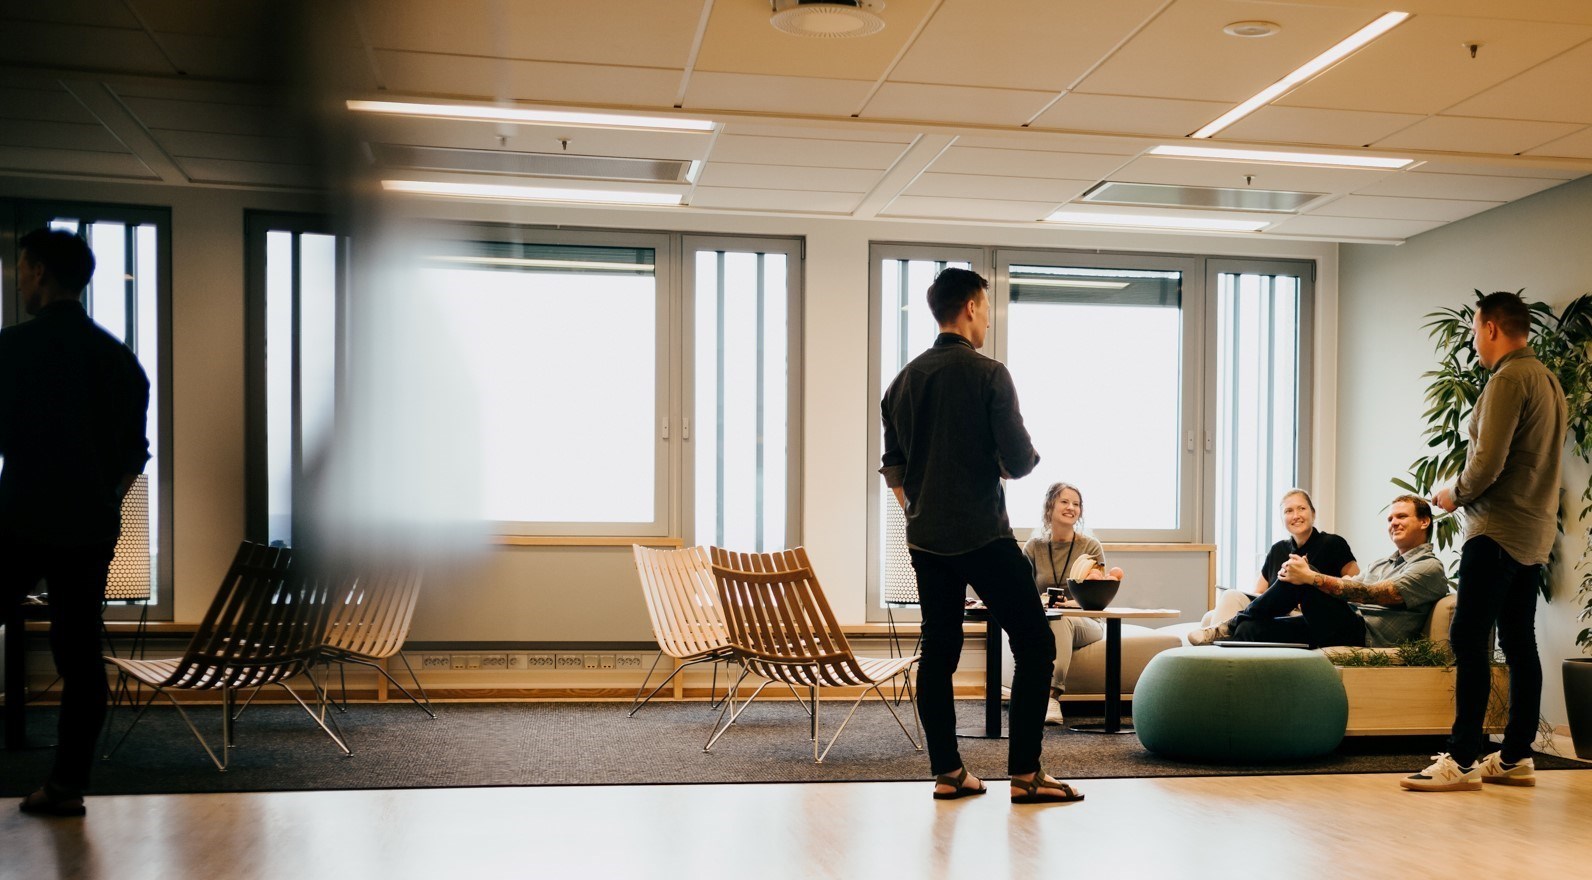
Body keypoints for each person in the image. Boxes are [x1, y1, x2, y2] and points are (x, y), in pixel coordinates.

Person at [880, 268, 1080, 805]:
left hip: (926, 541)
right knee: (1036, 644)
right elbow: (1018, 460)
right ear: (970, 307)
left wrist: (919, 511)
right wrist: (1010, 462)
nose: (989, 317)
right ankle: (1026, 774)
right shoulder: (990, 374)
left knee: (938, 653)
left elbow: (894, 469)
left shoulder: (900, 383)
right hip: (983, 537)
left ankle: (948, 771)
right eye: (987, 307)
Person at [2, 229, 150, 817]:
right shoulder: (119, 360)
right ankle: (66, 786)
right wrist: (105, 498)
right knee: (80, 658)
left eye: (20, 269)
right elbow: (134, 455)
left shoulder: (11, 349)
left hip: (19, 517)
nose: (17, 280)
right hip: (88, 525)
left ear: (38, 271)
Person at [1403, 291, 1568, 793]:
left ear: (1492, 328)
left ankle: (1462, 757)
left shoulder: (1508, 379)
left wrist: (1452, 493)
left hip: (1495, 531)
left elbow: (1487, 465)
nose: (1473, 340)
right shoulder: (1549, 381)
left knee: (1467, 637)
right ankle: (1516, 755)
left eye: (1475, 330)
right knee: (1519, 640)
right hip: (1532, 533)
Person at [1189, 495, 1449, 649]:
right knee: (1252, 631)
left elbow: (1373, 594)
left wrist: (1311, 577)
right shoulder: (1383, 563)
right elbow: (1349, 582)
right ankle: (1227, 644)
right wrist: (1310, 576)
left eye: (1401, 517)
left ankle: (1227, 624)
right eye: (1390, 519)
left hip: (1365, 634)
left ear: (1424, 521)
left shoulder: (1428, 567)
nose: (1393, 523)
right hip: (1341, 622)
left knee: (1302, 576)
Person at [1203, 488, 1362, 626]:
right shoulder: (1277, 550)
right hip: (1275, 612)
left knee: (1225, 621)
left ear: (1313, 513)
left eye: (1301, 508)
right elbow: (1259, 593)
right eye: (1288, 511)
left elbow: (1356, 586)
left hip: (1312, 616)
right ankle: (1217, 647)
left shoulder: (1333, 543)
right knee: (1224, 602)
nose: (1296, 515)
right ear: (1282, 518)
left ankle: (1221, 644)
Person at [1021, 482, 1105, 726]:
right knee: (1055, 619)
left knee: (1061, 619)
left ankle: (1052, 696)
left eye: (1076, 504)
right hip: (1045, 617)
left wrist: (1069, 604)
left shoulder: (1090, 547)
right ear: (1050, 507)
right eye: (1065, 502)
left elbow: (1098, 597)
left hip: (1086, 619)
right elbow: (1024, 591)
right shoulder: (1034, 547)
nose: (1071, 508)